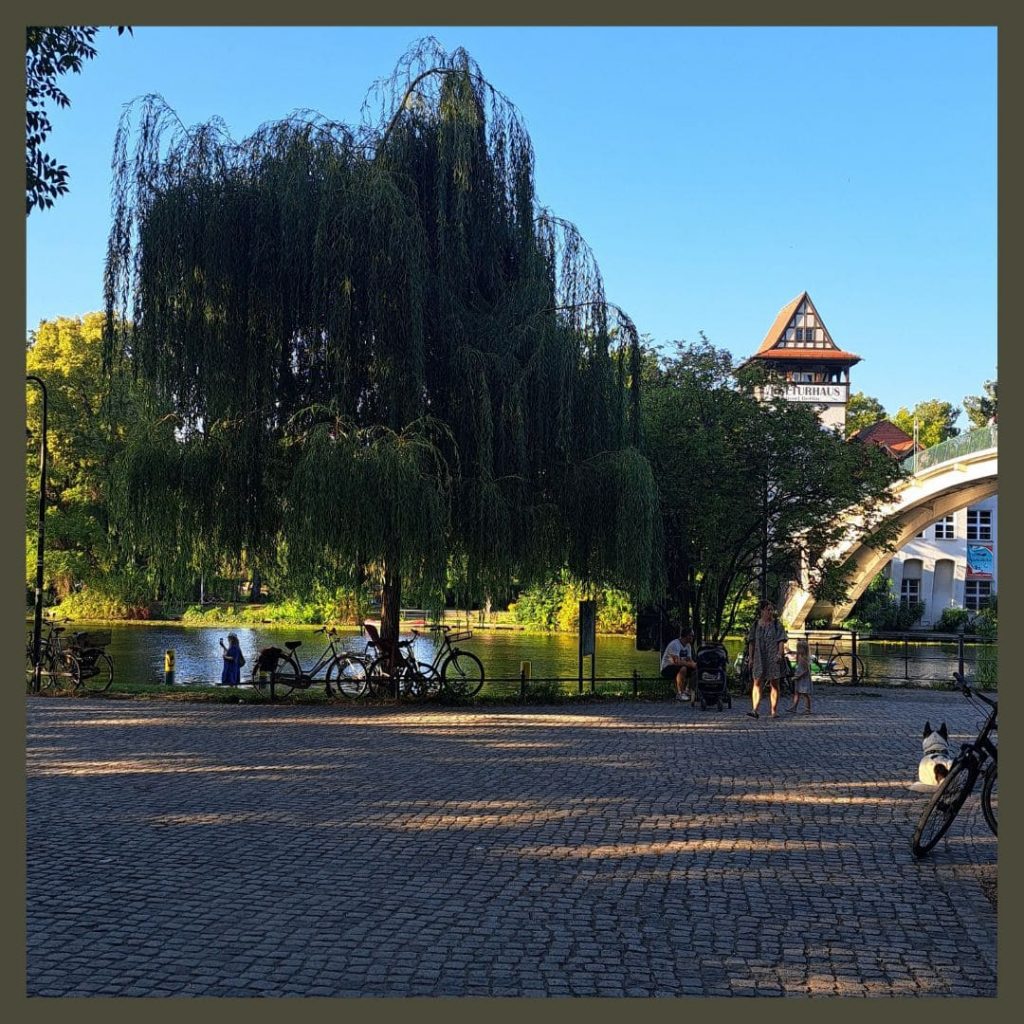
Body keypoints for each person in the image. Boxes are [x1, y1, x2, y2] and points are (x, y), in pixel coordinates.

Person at [745, 600, 787, 719]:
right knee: (757, 682)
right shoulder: (755, 625)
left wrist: (779, 654)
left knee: (774, 683)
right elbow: (751, 642)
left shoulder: (777, 625)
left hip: (773, 656)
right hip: (759, 657)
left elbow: (781, 641)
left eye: (771, 609)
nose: (770, 612)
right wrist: (751, 658)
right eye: (768, 609)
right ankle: (754, 709)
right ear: (762, 611)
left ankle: (773, 710)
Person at [661, 626, 697, 702]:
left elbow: (689, 660)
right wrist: (691, 664)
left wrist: (695, 665)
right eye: (691, 635)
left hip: (679, 666)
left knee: (695, 670)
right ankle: (680, 693)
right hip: (667, 667)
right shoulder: (675, 644)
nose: (692, 637)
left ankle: (688, 690)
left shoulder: (688, 645)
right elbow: (676, 662)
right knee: (683, 668)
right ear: (686, 636)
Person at [788, 638, 813, 714]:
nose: (797, 650)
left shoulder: (803, 659)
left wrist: (798, 676)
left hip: (803, 678)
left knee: (805, 694)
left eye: (798, 648)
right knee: (797, 692)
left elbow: (806, 670)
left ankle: (808, 709)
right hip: (799, 677)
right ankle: (794, 707)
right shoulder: (799, 657)